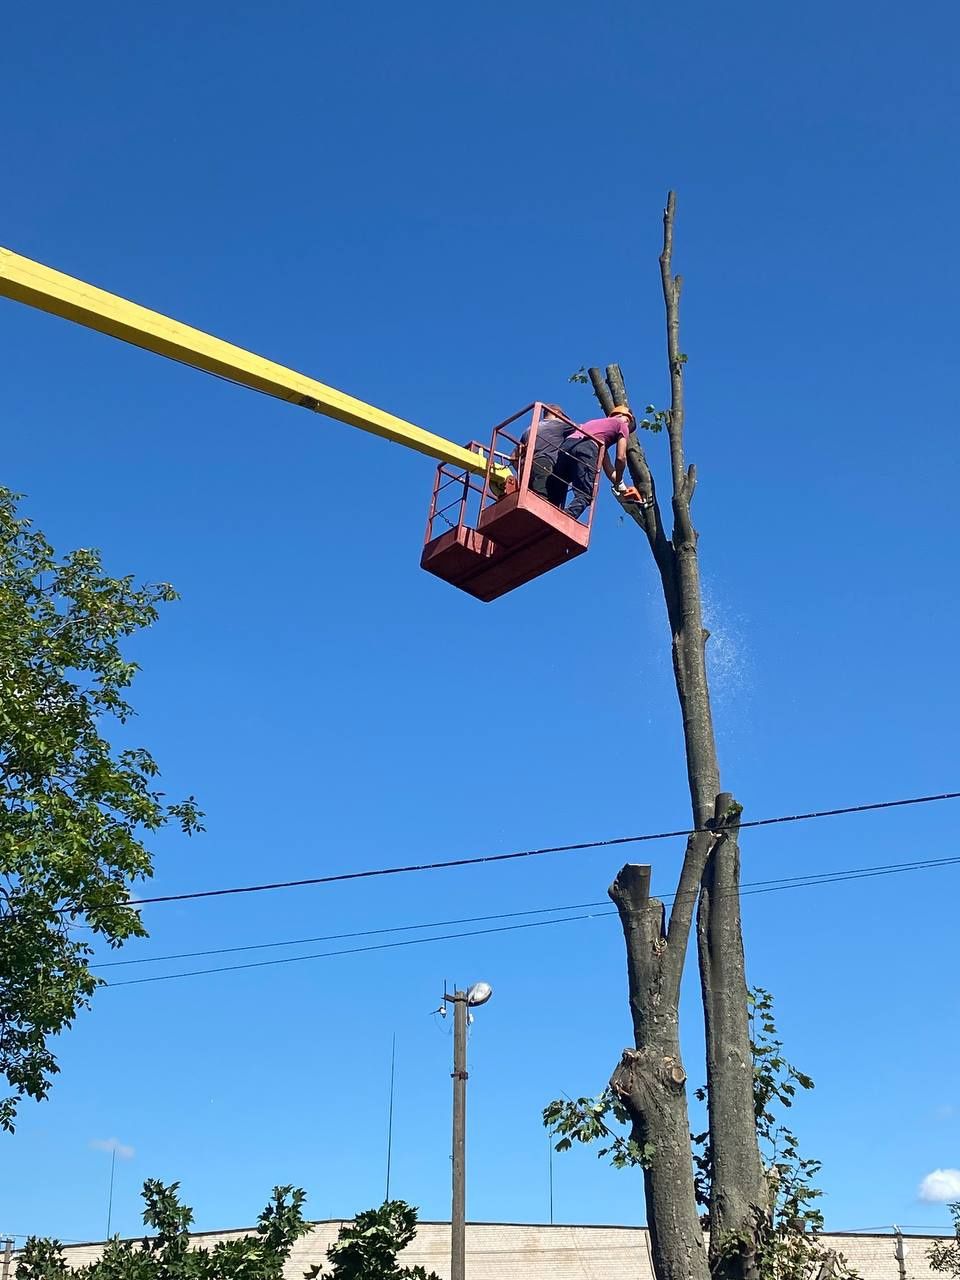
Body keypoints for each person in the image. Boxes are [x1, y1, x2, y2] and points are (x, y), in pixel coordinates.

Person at [555, 404, 635, 519]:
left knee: (560, 483)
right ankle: (564, 518)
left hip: (566, 446)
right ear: (628, 418)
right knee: (585, 494)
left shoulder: (595, 426)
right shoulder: (623, 424)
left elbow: (608, 468)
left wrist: (621, 485)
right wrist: (618, 482)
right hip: (587, 448)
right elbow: (620, 458)